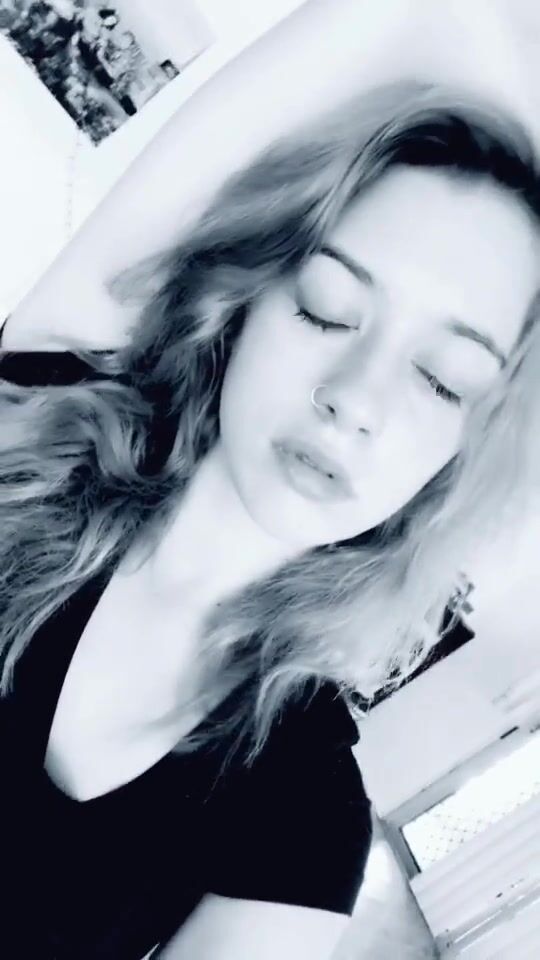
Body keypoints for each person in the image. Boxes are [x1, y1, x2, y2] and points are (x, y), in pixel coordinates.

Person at [1, 74, 540, 959]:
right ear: (245, 299)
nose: (356, 399)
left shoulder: (305, 829)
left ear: (464, 456)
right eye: (328, 310)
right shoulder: (24, 426)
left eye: (444, 379)